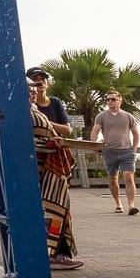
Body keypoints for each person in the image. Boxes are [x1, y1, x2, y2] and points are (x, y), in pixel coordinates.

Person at [27, 69, 81, 267]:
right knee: (53, 209)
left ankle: (57, 253)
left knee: (60, 209)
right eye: (31, 86)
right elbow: (29, 140)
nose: (36, 89)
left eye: (39, 84)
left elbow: (66, 129)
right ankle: (52, 254)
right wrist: (49, 143)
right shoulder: (27, 111)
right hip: (44, 169)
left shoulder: (50, 104)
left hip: (51, 169)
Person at [88, 91, 140, 215]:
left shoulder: (128, 116)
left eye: (113, 99)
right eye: (108, 100)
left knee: (128, 176)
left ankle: (131, 206)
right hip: (109, 151)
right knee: (113, 178)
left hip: (127, 151)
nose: (110, 102)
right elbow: (95, 131)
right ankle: (118, 204)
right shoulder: (101, 116)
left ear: (119, 100)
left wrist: (134, 149)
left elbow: (136, 134)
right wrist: (93, 144)